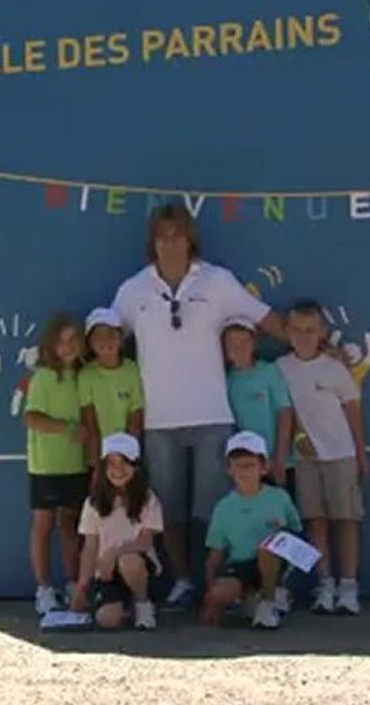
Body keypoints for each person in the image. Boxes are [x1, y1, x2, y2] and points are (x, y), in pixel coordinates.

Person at [111, 203, 286, 608]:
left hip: (212, 416)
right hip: (158, 421)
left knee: (211, 510)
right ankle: (184, 580)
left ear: (191, 239)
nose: (170, 243)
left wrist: (313, 345)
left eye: (178, 234)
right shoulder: (133, 289)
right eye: (162, 235)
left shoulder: (218, 281)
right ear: (152, 242)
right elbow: (106, 340)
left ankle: (214, 580)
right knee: (169, 508)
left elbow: (263, 318)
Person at [277, 299, 370, 615]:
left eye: (310, 330)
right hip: (304, 460)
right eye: (297, 330)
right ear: (287, 332)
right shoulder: (281, 368)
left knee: (346, 520)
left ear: (322, 332)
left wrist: (361, 454)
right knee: (315, 521)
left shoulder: (335, 368)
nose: (303, 336)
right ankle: (325, 584)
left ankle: (348, 586)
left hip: (341, 455)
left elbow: (353, 411)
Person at [200, 431, 303, 630]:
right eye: (238, 465)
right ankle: (251, 599)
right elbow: (215, 555)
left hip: (278, 563)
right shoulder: (223, 507)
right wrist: (211, 598)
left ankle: (269, 603)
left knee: (268, 548)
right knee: (220, 592)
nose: (243, 471)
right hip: (241, 566)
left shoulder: (280, 497)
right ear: (229, 469)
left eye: (249, 465)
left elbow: (296, 533)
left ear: (264, 468)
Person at [25, 313, 89, 615]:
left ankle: (73, 583)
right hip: (45, 466)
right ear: (51, 345)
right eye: (61, 341)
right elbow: (32, 417)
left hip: (76, 466)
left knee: (70, 526)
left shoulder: (86, 376)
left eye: (73, 340)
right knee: (43, 525)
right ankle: (44, 589)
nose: (67, 347)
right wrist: (67, 429)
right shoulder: (43, 377)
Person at [70, 433, 163, 630]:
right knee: (107, 620)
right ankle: (123, 606)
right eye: (111, 463)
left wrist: (115, 553)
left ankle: (143, 603)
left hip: (139, 567)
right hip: (105, 573)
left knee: (129, 561)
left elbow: (146, 541)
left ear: (136, 466)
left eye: (124, 462)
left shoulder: (147, 498)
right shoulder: (93, 503)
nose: (118, 470)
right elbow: (90, 546)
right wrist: (82, 585)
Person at [223, 317, 294, 487]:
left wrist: (280, 458)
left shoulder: (269, 371)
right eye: (232, 344)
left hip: (277, 463)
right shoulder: (226, 379)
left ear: (254, 344)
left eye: (244, 342)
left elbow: (285, 413)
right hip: (245, 469)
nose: (238, 348)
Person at [78, 307, 145, 474]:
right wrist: (98, 464)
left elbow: (135, 418)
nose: (105, 341)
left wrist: (128, 457)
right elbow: (90, 422)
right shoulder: (86, 375)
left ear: (121, 338)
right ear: (89, 343)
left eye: (111, 334)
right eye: (98, 336)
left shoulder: (132, 370)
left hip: (127, 457)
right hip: (99, 458)